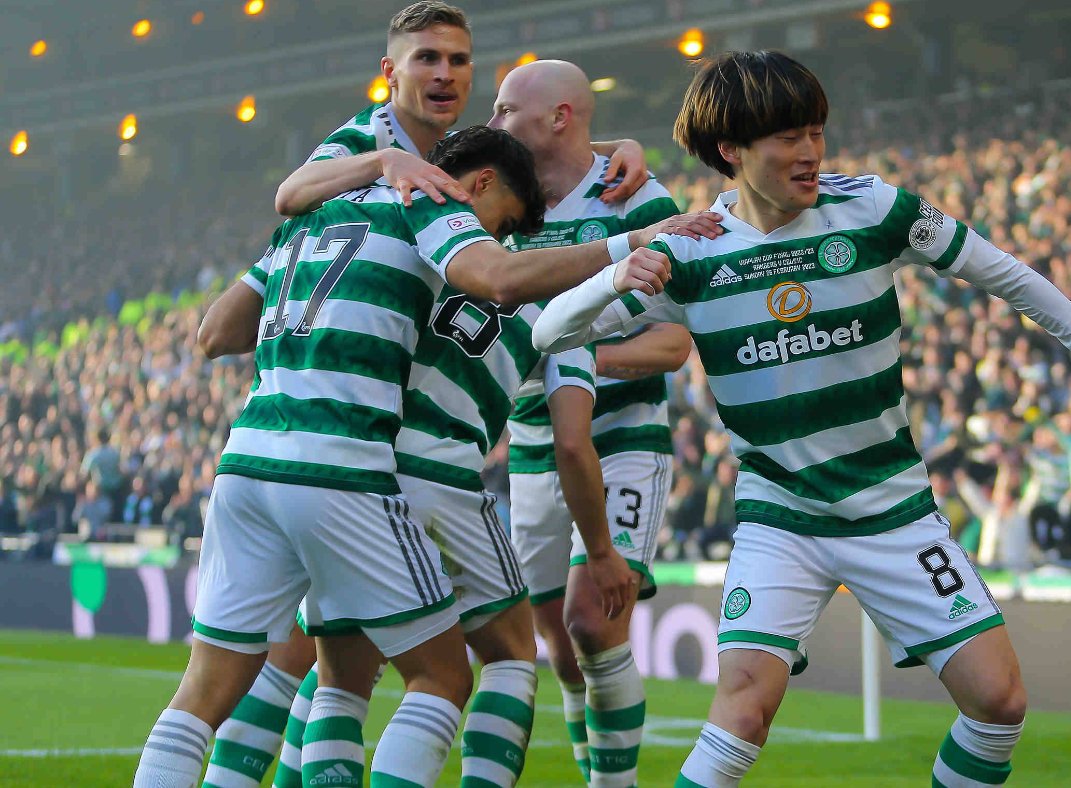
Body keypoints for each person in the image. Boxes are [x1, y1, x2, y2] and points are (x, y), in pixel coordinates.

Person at [533, 50, 1071, 787]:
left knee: (999, 705)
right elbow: (548, 333)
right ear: (731, 151)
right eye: (789, 138)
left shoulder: (873, 208)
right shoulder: (688, 251)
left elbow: (1009, 276)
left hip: (893, 510)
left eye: (816, 132)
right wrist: (614, 276)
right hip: (782, 519)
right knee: (742, 712)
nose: (811, 152)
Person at [133, 126, 674, 788]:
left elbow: (216, 332)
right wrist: (628, 247)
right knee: (453, 672)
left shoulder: (315, 214)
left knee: (247, 683)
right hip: (355, 466)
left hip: (248, 458)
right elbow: (502, 284)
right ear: (478, 183)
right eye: (501, 221)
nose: (496, 237)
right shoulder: (437, 214)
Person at [489, 59, 692, 787]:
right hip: (533, 450)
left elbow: (674, 341)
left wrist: (568, 357)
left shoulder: (640, 201)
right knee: (561, 647)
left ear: (559, 118)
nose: (493, 123)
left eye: (506, 109)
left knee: (592, 621)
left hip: (622, 438)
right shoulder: (503, 203)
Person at [273, 2, 650, 220]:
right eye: (427, 58)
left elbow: (545, 149)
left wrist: (621, 146)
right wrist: (384, 161)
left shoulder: (458, 147)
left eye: (457, 61)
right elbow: (290, 195)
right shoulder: (367, 134)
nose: (445, 74)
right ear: (390, 73)